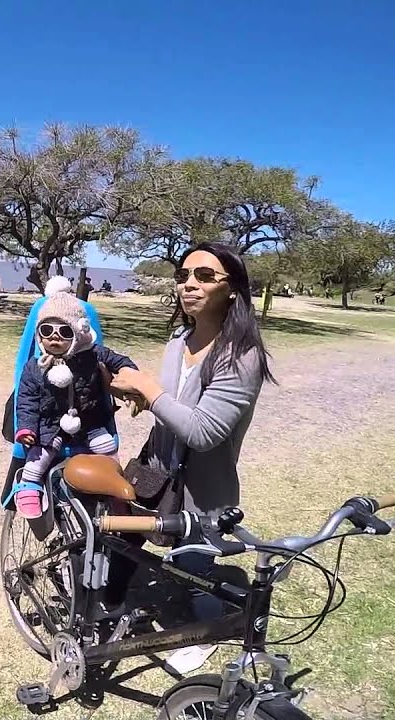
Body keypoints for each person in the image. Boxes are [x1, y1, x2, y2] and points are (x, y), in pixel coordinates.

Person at [108, 242, 275, 675]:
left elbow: (203, 432)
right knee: (122, 541)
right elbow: (176, 406)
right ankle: (109, 607)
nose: (189, 284)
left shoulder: (242, 356)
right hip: (156, 469)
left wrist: (148, 388)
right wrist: (136, 394)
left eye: (204, 276)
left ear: (232, 289)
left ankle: (205, 634)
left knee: (193, 570)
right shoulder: (177, 340)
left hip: (202, 487)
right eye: (183, 275)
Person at [10, 292, 136, 519]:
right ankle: (28, 486)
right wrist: (27, 428)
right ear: (39, 334)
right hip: (51, 424)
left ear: (78, 333)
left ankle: (114, 491)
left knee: (108, 449)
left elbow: (120, 361)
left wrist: (130, 375)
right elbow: (26, 400)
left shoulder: (93, 354)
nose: (54, 338)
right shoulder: (34, 367)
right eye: (46, 331)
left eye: (64, 332)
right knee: (39, 459)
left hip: (89, 422)